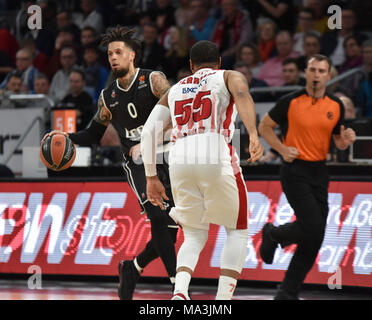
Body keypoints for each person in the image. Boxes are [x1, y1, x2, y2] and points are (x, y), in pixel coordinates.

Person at [42, 26, 178, 300]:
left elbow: (178, 112)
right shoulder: (108, 97)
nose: (113, 57)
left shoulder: (154, 80)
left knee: (170, 233)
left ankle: (132, 267)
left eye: (118, 52)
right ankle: (179, 287)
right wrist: (63, 137)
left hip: (169, 156)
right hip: (138, 163)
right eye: (109, 54)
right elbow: (93, 134)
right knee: (158, 217)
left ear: (132, 56)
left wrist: (152, 137)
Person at [141, 40, 264, 300]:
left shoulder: (174, 90)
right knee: (238, 229)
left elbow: (150, 132)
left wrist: (151, 176)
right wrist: (253, 134)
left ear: (190, 66)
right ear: (219, 62)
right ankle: (222, 300)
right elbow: (242, 95)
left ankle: (180, 292)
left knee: (194, 233)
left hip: (180, 156)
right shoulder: (229, 75)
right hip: (213, 147)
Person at [258, 54, 356, 300]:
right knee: (312, 227)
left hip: (320, 171)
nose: (316, 75)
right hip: (294, 171)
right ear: (306, 73)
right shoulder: (290, 101)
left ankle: (288, 292)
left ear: (329, 75)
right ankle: (273, 233)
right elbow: (264, 127)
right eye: (312, 70)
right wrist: (281, 149)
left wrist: (344, 142)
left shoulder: (336, 105)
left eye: (321, 71)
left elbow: (337, 141)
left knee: (315, 237)